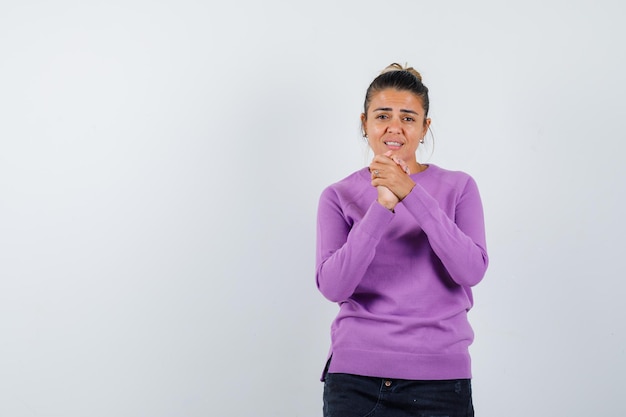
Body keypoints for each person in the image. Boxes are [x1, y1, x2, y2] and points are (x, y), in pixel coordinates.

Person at [315, 63, 489, 417]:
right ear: (365, 123)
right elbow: (333, 287)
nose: (395, 127)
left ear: (425, 128)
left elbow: (470, 271)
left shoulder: (460, 187)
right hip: (355, 381)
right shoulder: (338, 195)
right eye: (383, 115)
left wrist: (410, 192)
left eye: (408, 118)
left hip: (441, 382)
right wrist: (382, 206)